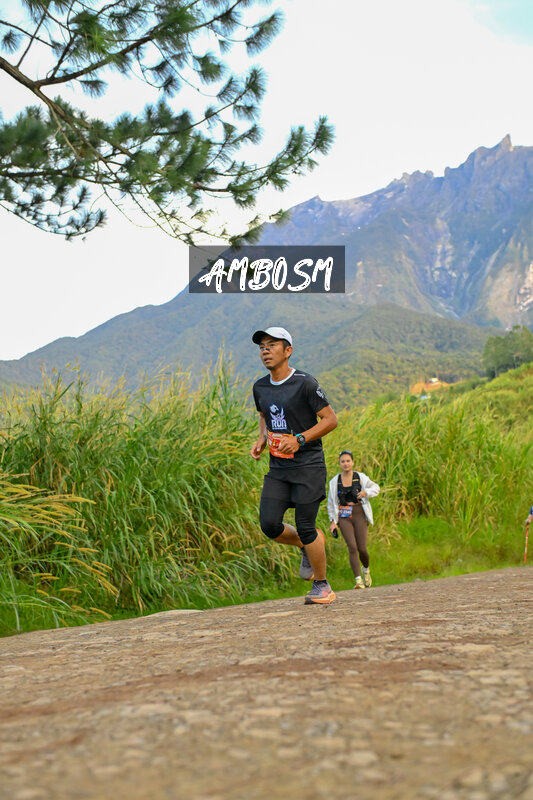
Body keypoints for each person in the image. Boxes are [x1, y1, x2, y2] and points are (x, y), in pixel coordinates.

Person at [250, 326, 338, 605]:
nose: (265, 350)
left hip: (308, 466)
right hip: (279, 468)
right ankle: (304, 543)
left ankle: (322, 586)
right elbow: (264, 414)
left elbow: (330, 420)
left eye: (272, 345)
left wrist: (299, 439)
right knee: (269, 524)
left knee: (305, 524)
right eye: (262, 346)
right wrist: (262, 439)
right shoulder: (260, 387)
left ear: (288, 351)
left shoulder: (305, 383)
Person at [327, 450, 380, 589]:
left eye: (348, 461)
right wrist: (333, 521)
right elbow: (332, 502)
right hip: (344, 516)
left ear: (352, 462)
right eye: (343, 461)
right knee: (352, 546)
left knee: (362, 548)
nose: (345, 464)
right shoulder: (334, 481)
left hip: (359, 514)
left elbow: (376, 488)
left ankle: (366, 569)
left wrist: (366, 492)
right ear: (339, 463)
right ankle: (358, 580)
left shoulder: (360, 477)